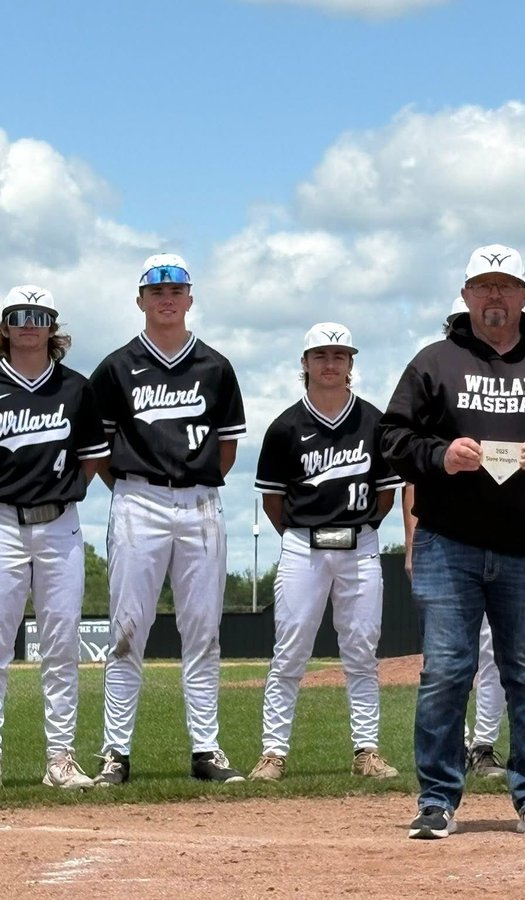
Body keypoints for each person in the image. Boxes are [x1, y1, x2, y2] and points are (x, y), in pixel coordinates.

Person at [381, 244, 525, 839]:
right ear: (467, 293)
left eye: (506, 285)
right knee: (447, 670)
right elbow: (390, 439)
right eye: (483, 285)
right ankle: (436, 798)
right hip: (448, 541)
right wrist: (437, 454)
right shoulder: (434, 362)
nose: (494, 296)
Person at [90, 253, 247, 785]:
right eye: (156, 290)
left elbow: (226, 450)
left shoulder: (215, 367)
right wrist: (138, 488)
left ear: (189, 298)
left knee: (202, 630)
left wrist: (192, 482)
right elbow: (100, 449)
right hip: (137, 500)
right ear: (140, 300)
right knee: (127, 629)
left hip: (201, 501)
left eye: (176, 289)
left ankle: (207, 749)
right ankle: (116, 751)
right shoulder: (115, 367)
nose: (166, 298)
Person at [248, 323, 402, 781]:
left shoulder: (374, 421)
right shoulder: (284, 427)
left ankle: (366, 750)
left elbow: (386, 497)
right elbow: (272, 501)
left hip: (359, 544)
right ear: (305, 364)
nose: (330, 363)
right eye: (321, 355)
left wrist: (358, 529)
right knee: (290, 651)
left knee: (361, 652)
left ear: (351, 363)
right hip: (303, 545)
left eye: (339, 355)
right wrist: (300, 534)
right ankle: (273, 752)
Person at [0, 286, 107, 789]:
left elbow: (92, 456)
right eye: (18, 315)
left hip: (59, 524)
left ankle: (60, 759)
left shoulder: (75, 388)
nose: (28, 323)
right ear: (4, 326)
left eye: (39, 316)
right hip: (1, 524)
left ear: (51, 326)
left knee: (61, 645)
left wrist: (69, 492)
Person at [401, 299, 508, 781]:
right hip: (445, 537)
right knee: (446, 660)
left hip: (507, 537)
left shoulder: (516, 376)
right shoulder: (436, 370)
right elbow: (410, 470)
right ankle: (457, 749)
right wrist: (410, 540)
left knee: (494, 654)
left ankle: (483, 744)